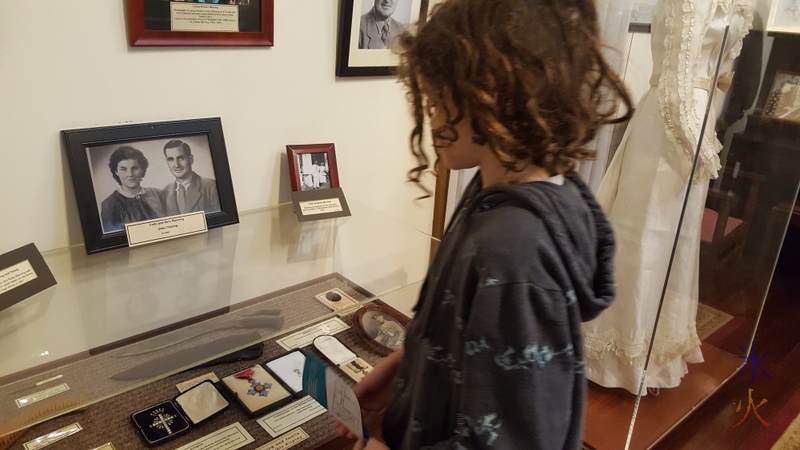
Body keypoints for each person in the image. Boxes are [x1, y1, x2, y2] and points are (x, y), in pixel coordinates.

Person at [338, 0, 632, 448]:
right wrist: (405, 365)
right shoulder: (498, 192)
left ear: (486, 93)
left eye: (437, 101)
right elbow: (468, 330)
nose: (431, 119)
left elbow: (520, 440)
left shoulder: (515, 249)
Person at [100, 146, 166, 232]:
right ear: (116, 172)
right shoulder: (109, 204)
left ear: (142, 169)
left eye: (134, 168)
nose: (130, 174)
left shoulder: (157, 194)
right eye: (123, 169)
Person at [162, 139, 221, 215]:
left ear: (191, 159)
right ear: (167, 162)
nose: (176, 165)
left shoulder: (211, 186)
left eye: (181, 158)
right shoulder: (165, 192)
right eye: (171, 160)